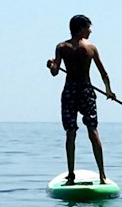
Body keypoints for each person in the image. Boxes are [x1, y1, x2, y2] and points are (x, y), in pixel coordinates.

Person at [47, 14, 115, 182]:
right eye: (88, 27)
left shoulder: (61, 47)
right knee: (92, 130)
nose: (90, 31)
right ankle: (102, 175)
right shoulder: (91, 48)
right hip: (86, 91)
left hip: (70, 91)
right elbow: (104, 73)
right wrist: (108, 91)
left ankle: (71, 175)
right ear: (80, 29)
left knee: (71, 133)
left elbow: (55, 72)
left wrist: (51, 64)